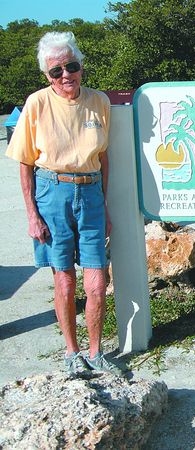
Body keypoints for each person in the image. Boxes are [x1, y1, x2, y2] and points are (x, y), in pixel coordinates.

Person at [6, 31, 122, 375]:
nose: (65, 75)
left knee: (97, 281)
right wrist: (32, 215)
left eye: (71, 66)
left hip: (90, 193)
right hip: (51, 193)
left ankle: (96, 353)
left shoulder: (99, 101)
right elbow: (25, 163)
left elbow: (103, 158)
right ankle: (72, 353)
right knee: (65, 280)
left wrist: (104, 204)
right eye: (56, 71)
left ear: (81, 66)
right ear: (47, 75)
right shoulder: (37, 103)